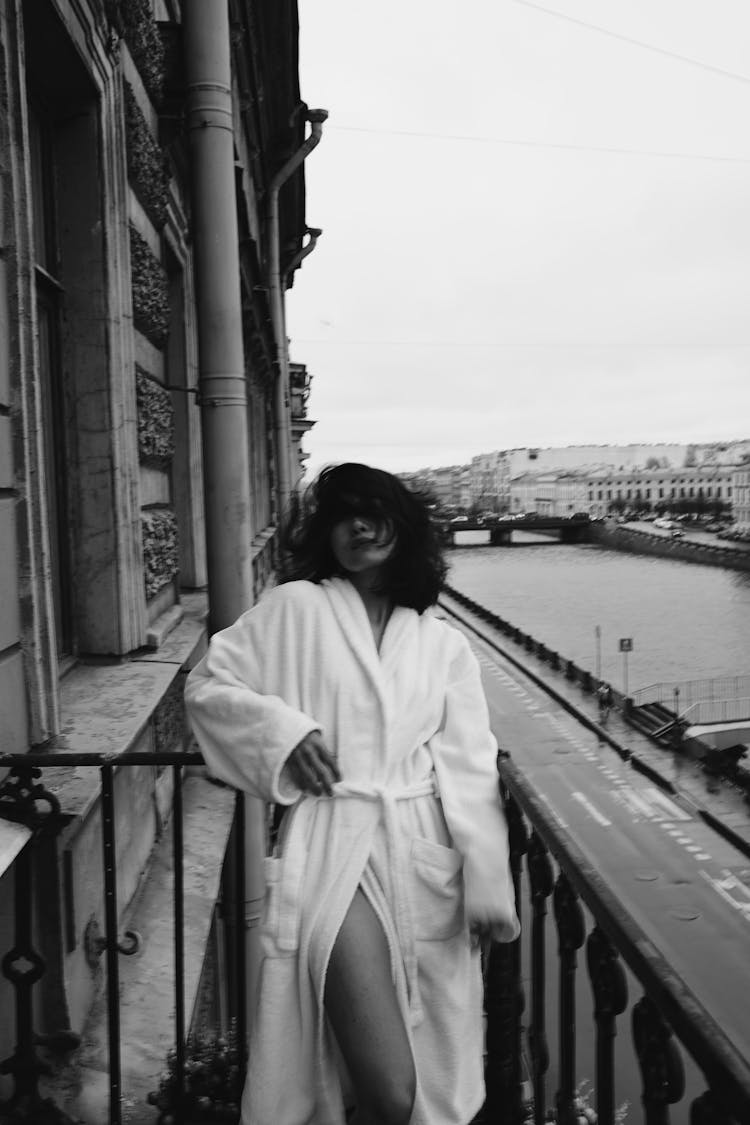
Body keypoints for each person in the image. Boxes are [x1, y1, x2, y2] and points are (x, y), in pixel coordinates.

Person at [184, 463, 520, 1125]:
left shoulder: (440, 643)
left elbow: (469, 765)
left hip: (420, 852)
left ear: (405, 526)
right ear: (326, 532)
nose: (360, 527)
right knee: (395, 1090)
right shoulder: (294, 610)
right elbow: (208, 687)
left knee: (428, 1086)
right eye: (344, 515)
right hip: (334, 841)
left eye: (374, 511)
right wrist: (282, 733)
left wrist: (486, 881)